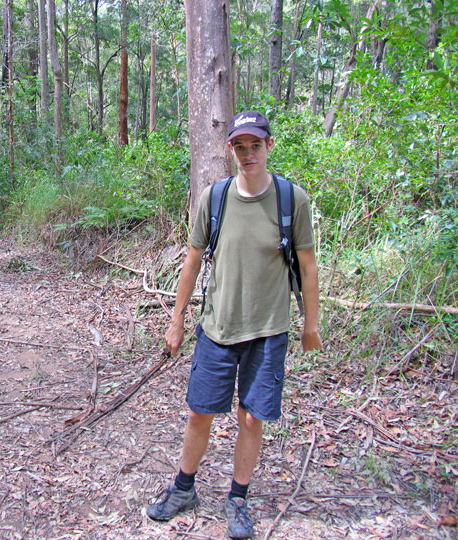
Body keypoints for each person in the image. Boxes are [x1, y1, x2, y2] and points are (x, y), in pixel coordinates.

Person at [146, 111, 323, 539]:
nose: (248, 154)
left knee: (251, 418)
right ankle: (184, 488)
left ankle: (238, 498)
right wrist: (177, 320)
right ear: (231, 150)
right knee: (199, 412)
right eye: (240, 147)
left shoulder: (291, 200)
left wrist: (311, 325)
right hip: (217, 329)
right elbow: (191, 263)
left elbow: (308, 265)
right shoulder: (215, 198)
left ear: (269, 146)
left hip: (268, 330)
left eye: (255, 146)